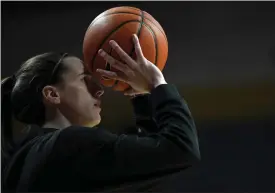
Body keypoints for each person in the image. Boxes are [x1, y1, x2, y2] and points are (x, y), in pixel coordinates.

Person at [2, 34, 200, 192]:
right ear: (52, 94)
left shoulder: (22, 159)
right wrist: (157, 83)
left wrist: (140, 96)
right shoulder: (71, 143)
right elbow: (181, 148)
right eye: (83, 80)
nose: (99, 90)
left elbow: (155, 164)